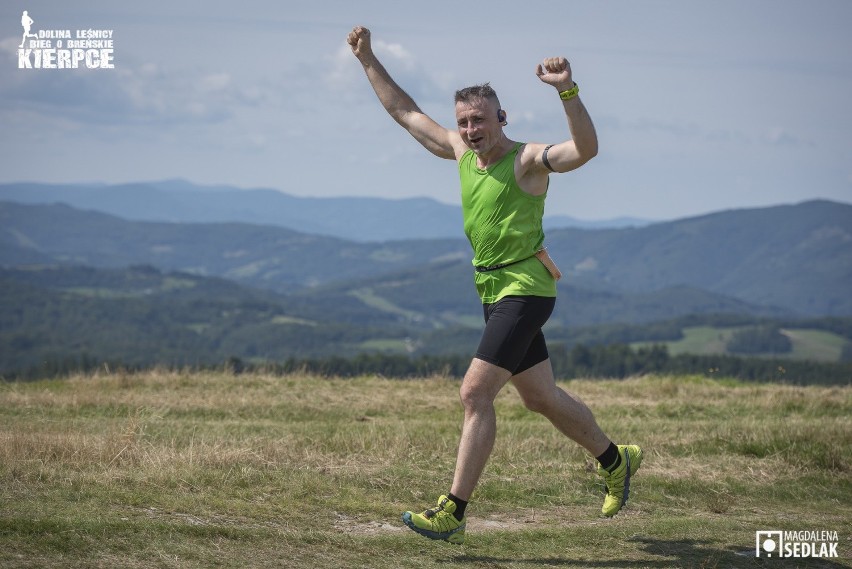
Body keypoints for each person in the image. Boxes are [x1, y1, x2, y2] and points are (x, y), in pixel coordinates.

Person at [347, 25, 642, 545]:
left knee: (474, 392)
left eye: (478, 119)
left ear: (500, 118)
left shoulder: (527, 161)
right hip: (492, 293)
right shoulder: (460, 153)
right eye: (463, 121)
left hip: (526, 290)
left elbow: (587, 150)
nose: (469, 128)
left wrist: (567, 91)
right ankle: (616, 460)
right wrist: (368, 57)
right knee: (540, 398)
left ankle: (453, 511)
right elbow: (404, 112)